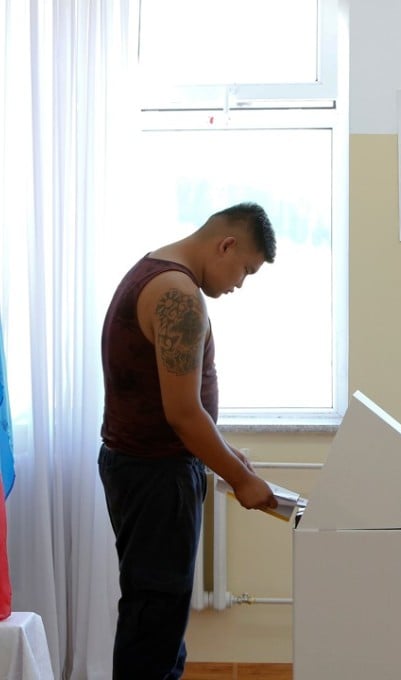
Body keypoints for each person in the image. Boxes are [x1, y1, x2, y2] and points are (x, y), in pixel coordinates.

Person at [98, 202, 279, 679]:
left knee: (157, 616)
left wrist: (219, 450)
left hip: (145, 469)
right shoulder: (178, 294)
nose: (240, 283)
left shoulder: (152, 271)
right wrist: (240, 478)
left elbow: (171, 405)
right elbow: (181, 413)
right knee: (154, 622)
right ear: (226, 245)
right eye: (245, 269)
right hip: (155, 477)